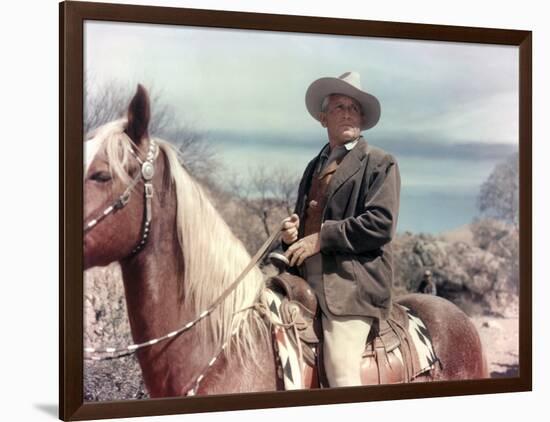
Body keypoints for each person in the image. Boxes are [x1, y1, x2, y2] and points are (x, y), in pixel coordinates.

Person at [281, 71, 401, 387]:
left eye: (354, 108)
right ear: (324, 118)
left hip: (351, 286)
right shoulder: (314, 166)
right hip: (305, 281)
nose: (348, 112)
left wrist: (322, 238)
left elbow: (380, 224)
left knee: (341, 372)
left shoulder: (379, 162)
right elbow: (304, 223)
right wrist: (292, 235)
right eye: (339, 107)